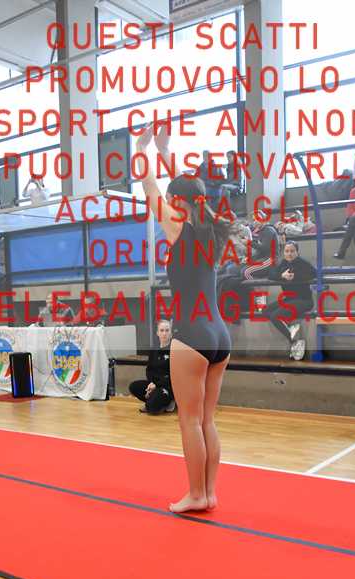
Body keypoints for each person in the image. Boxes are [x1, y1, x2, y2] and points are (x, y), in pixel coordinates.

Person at [137, 123, 232, 513]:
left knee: (189, 421)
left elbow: (150, 187)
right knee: (206, 420)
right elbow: (191, 189)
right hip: (219, 336)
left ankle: (195, 494)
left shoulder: (177, 229)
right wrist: (165, 151)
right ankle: (209, 492)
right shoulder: (213, 231)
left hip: (191, 335)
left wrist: (142, 148)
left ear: (179, 202)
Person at [264, 241, 317, 361]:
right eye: (287, 251)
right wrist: (282, 276)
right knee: (266, 311)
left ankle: (294, 340)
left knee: (275, 316)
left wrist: (295, 276)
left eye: (292, 251)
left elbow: (314, 273)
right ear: (284, 253)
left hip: (304, 300)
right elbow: (271, 274)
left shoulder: (303, 263)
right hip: (289, 299)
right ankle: (291, 329)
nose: (289, 254)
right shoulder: (283, 263)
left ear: (297, 252)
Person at [129, 319, 175, 414]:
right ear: (157, 333)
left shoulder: (174, 350)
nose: (164, 333)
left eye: (167, 330)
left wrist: (156, 385)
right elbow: (149, 370)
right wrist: (151, 383)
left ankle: (168, 401)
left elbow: (174, 376)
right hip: (154, 385)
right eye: (162, 330)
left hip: (167, 387)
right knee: (133, 386)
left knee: (152, 408)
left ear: (171, 333)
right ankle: (153, 401)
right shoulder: (154, 349)